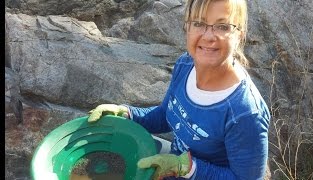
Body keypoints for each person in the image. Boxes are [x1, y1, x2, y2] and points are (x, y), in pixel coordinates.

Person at [87, 0, 271, 179]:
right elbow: (166, 116)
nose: (208, 36)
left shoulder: (245, 113)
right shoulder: (186, 64)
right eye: (199, 23)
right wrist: (128, 114)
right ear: (187, 28)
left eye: (222, 26)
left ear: (240, 34)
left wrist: (185, 167)